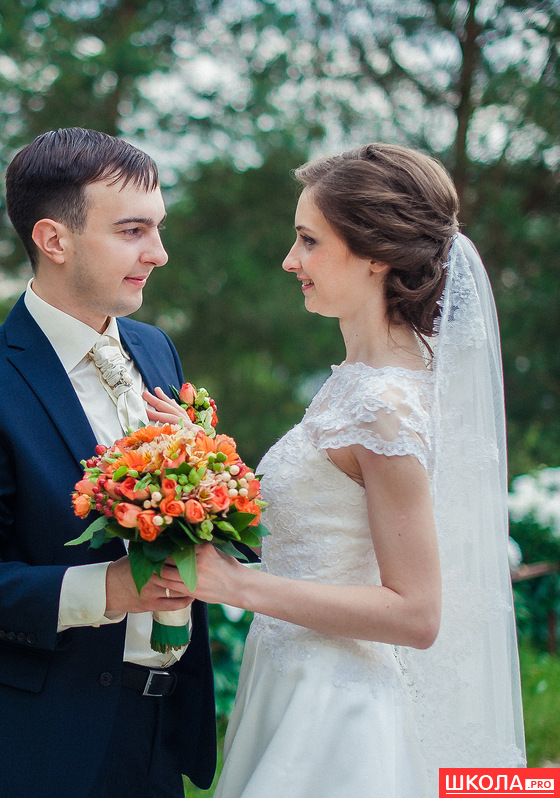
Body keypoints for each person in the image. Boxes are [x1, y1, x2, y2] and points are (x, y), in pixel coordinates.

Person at [153, 143, 526, 797]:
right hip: (289, 684)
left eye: (308, 241)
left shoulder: (386, 405)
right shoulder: (359, 381)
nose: (289, 260)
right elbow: (326, 517)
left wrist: (235, 585)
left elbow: (416, 613)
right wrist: (204, 459)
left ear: (375, 253)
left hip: (335, 718)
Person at [0, 127, 218, 798]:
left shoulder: (157, 351)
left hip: (160, 732)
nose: (158, 253)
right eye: (133, 231)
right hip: (30, 746)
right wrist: (109, 591)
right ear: (54, 240)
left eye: (158, 228)